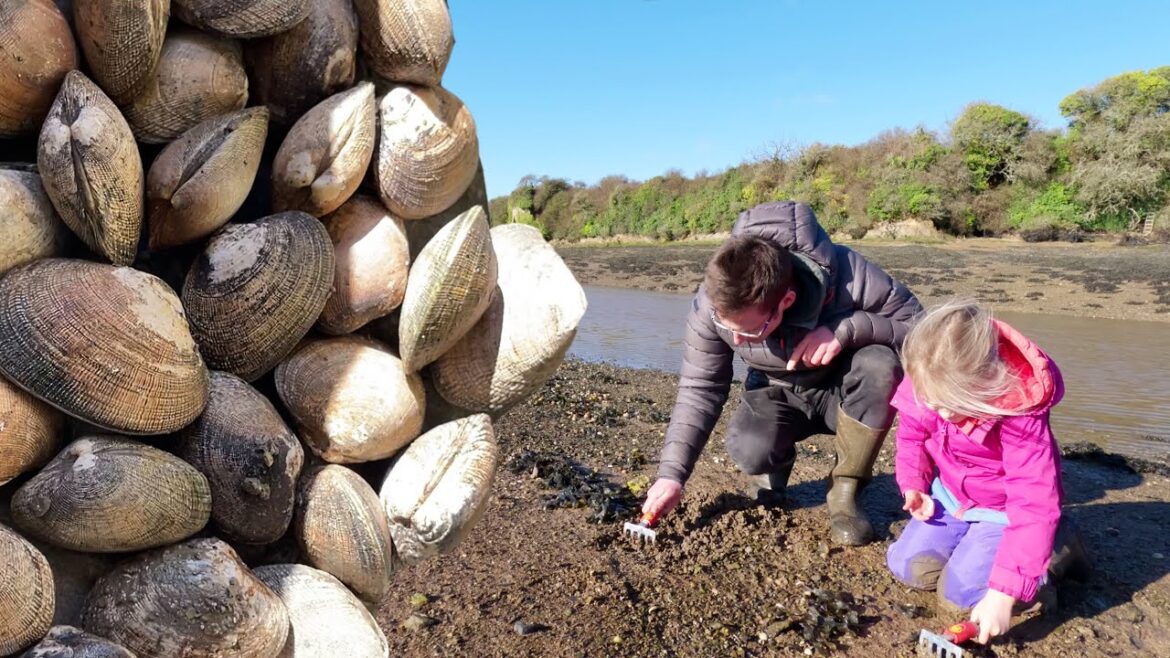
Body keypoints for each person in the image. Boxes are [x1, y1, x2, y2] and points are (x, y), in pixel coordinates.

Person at [641, 200, 922, 546]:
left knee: (881, 365)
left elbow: (923, 330)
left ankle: (845, 490)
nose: (737, 339)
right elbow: (700, 386)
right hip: (778, 391)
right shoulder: (711, 303)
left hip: (845, 392)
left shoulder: (851, 274)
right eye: (726, 327)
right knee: (748, 448)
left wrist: (846, 329)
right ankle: (772, 473)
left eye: (749, 331)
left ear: (785, 302)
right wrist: (672, 476)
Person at [885, 301, 1083, 644]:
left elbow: (1034, 502)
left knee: (960, 596)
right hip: (951, 496)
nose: (935, 410)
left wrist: (1003, 597)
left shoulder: (1021, 414)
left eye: (948, 405)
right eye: (929, 401)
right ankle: (986, 549)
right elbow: (911, 435)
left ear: (985, 386)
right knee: (909, 568)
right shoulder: (928, 378)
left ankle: (1054, 554)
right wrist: (913, 484)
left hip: (1003, 512)